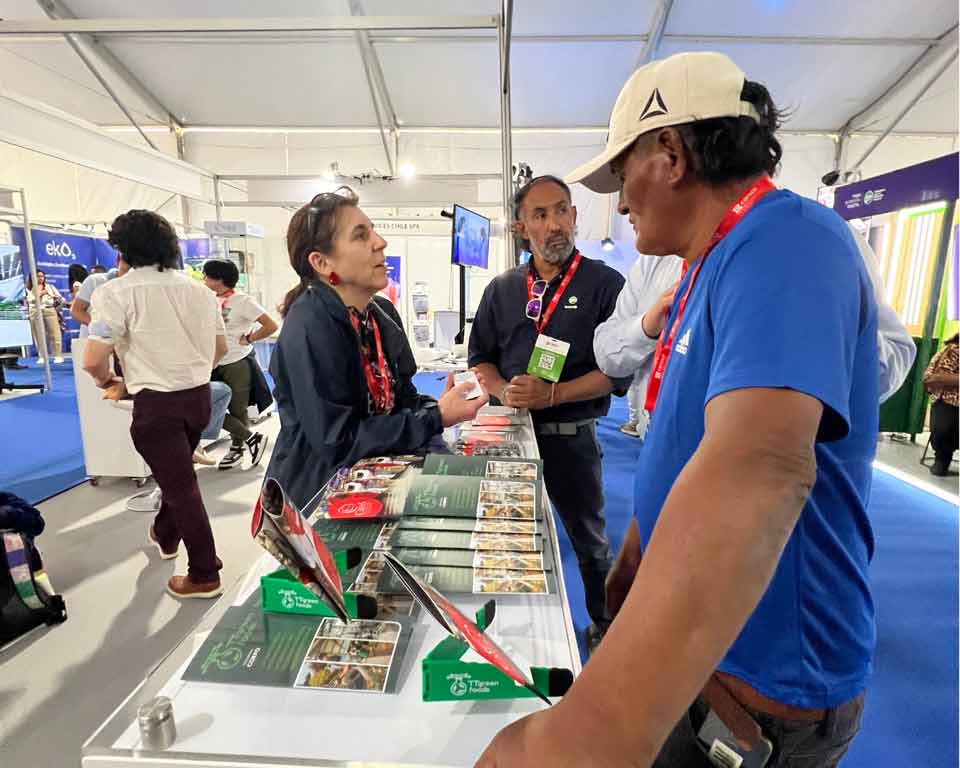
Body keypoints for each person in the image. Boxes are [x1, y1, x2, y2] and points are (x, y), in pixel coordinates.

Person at [478, 52, 879, 768]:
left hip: (757, 680)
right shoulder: (706, 263)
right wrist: (641, 546)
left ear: (670, 154)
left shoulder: (788, 240)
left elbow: (762, 467)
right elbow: (691, 428)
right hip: (704, 655)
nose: (619, 205)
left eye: (622, 177)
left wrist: (591, 731)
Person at [469, 174, 631, 654]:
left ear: (575, 216)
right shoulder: (502, 289)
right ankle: (507, 634)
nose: (554, 224)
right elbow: (481, 359)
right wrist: (504, 391)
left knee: (590, 542)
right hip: (509, 437)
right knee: (507, 538)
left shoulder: (605, 285)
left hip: (571, 438)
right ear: (521, 227)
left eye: (562, 210)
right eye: (540, 215)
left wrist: (553, 394)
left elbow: (616, 372)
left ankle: (605, 626)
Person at [266, 187, 487, 509]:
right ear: (322, 262)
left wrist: (438, 405)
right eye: (360, 235)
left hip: (380, 479)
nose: (380, 242)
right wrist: (436, 417)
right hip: (325, 496)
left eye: (373, 231)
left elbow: (400, 398)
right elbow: (338, 441)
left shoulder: (380, 313)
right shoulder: (310, 325)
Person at [594, 227, 915, 434]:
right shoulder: (654, 262)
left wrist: (817, 324)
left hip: (770, 482)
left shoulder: (815, 236)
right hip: (662, 452)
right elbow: (608, 355)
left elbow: (887, 365)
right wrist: (648, 326)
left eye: (627, 174)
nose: (623, 205)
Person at [83, 209, 227, 599]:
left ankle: (204, 574)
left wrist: (109, 381)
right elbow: (219, 349)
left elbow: (92, 360)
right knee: (178, 478)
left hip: (157, 405)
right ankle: (165, 534)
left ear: (122, 249)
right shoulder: (200, 291)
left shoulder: (115, 292)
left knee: (182, 488)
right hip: (198, 397)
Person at [202, 259, 276, 470]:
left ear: (219, 279)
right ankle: (252, 438)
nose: (204, 279)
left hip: (236, 361)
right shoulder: (208, 299)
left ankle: (237, 449)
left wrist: (250, 338)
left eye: (207, 276)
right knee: (206, 405)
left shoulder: (243, 301)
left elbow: (270, 325)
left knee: (237, 408)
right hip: (210, 361)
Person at [923, 333, 959, 476]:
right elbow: (933, 379)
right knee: (945, 428)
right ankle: (942, 459)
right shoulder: (952, 350)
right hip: (948, 403)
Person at [70, 258, 129, 337]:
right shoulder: (95, 281)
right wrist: (100, 328)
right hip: (93, 339)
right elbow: (76, 310)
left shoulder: (137, 285)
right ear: (118, 261)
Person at [25, 270, 64, 364]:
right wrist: (41, 293)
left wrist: (55, 299)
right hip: (35, 311)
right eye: (38, 276)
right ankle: (42, 356)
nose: (40, 278)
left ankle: (58, 355)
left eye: (42, 276)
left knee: (54, 333)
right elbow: (30, 300)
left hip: (49, 309)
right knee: (38, 335)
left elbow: (60, 298)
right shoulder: (28, 288)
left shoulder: (50, 287)